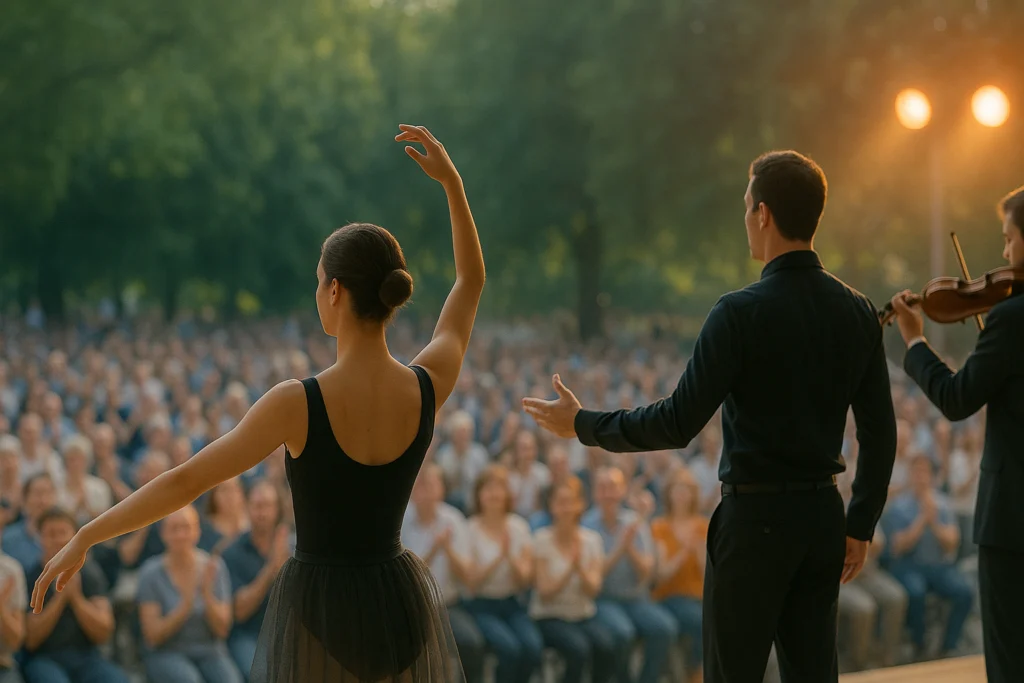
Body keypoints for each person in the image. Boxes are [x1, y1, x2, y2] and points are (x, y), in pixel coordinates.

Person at [30, 123, 487, 683]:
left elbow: (185, 482)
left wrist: (85, 535)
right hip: (397, 602)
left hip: (323, 611)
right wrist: (452, 185)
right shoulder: (427, 385)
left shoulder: (297, 403)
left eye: (318, 282)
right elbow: (470, 281)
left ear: (336, 291)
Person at [524, 150, 898, 682]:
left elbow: (677, 422)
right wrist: (859, 522)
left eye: (746, 209)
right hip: (822, 518)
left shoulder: (738, 312)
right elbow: (881, 433)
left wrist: (584, 424)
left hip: (754, 522)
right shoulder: (857, 310)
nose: (745, 220)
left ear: (763, 214)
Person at [888, 184, 1024, 683]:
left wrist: (914, 340)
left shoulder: (1010, 320)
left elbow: (955, 397)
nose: (1005, 254)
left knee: (1011, 658)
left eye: (1009, 240)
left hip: (1013, 522)